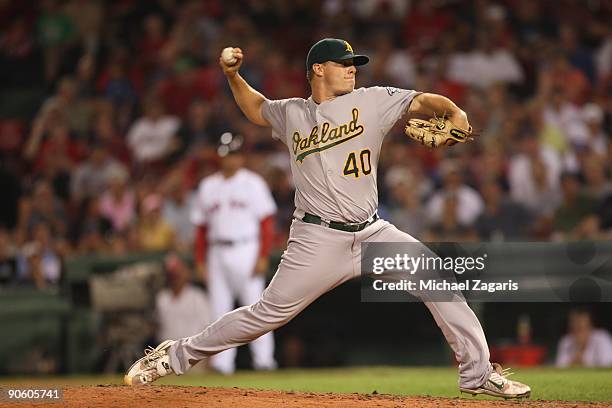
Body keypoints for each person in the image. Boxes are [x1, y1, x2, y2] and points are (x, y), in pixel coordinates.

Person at [124, 38, 531, 399]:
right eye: (344, 62)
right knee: (265, 314)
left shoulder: (372, 100)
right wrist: (233, 75)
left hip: (373, 232)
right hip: (316, 238)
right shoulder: (292, 113)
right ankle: (174, 355)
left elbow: (425, 101)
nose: (353, 68)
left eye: (355, 62)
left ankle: (478, 374)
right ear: (318, 69)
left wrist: (455, 112)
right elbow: (255, 108)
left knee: (436, 279)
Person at [191, 133, 278, 374]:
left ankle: (264, 361)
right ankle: (222, 364)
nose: (230, 159)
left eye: (235, 154)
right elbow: (201, 228)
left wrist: (262, 256)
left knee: (257, 309)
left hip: (246, 248)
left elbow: (267, 224)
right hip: (216, 251)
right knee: (220, 311)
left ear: (242, 157)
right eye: (226, 154)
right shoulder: (208, 186)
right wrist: (199, 260)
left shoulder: (253, 183)